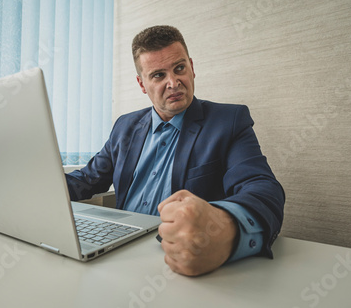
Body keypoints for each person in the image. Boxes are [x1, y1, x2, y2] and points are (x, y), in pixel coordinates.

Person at [66, 25, 285, 276]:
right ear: (142, 83)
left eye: (179, 68)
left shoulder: (229, 121)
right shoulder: (125, 126)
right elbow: (88, 179)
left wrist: (225, 229)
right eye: (158, 75)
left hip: (179, 256)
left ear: (192, 67)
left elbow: (263, 189)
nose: (173, 83)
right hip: (119, 252)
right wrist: (35, 188)